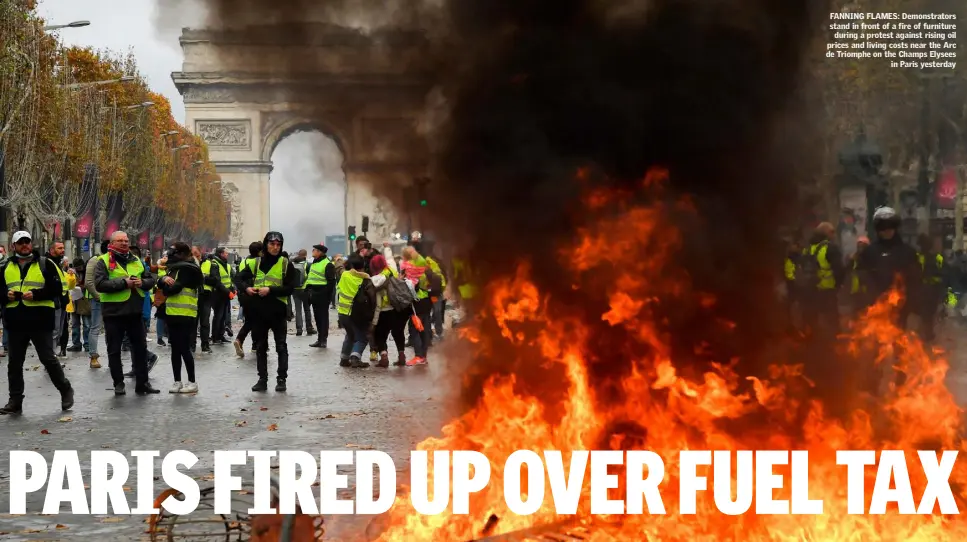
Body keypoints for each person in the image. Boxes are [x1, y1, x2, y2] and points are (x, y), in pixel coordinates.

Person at [0, 231, 74, 414]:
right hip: (15, 322)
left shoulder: (45, 264)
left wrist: (36, 294)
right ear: (13, 246)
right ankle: (15, 401)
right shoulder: (6, 266)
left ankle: (65, 390)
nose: (25, 245)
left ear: (31, 244)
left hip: (40, 321)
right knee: (14, 363)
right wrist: (5, 295)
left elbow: (59, 288)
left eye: (27, 242)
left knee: (48, 358)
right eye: (20, 242)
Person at [95, 231, 159, 395]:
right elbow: (100, 284)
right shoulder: (103, 261)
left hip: (134, 311)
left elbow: (150, 279)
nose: (124, 243)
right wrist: (125, 283)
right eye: (120, 241)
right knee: (114, 349)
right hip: (113, 312)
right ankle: (118, 383)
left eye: (126, 240)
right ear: (112, 243)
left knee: (140, 348)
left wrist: (142, 282)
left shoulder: (136, 259)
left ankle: (142, 384)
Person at [233, 231, 297, 392]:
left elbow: (290, 288)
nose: (275, 247)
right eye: (272, 244)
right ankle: (262, 379)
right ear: (265, 244)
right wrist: (246, 288)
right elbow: (238, 278)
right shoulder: (255, 263)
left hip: (278, 310)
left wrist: (270, 289)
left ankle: (281, 379)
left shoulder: (285, 263)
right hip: (258, 311)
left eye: (278, 245)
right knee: (261, 346)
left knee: (281, 346)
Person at [156, 243, 203, 393]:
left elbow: (172, 289)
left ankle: (192, 382)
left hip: (186, 314)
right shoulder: (175, 268)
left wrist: (165, 283)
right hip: (172, 312)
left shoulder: (188, 269)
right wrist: (163, 280)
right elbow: (161, 284)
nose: (170, 255)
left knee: (184, 348)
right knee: (175, 349)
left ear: (182, 254)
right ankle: (177, 381)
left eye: (174, 252)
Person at [369, 254, 408, 367]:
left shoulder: (377, 279)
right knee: (398, 333)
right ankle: (401, 356)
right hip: (397, 309)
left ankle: (384, 357)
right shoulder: (392, 271)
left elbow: (377, 300)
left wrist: (374, 319)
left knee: (380, 335)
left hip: (383, 311)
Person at [335, 254, 373, 368]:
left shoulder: (345, 275)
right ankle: (355, 357)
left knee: (350, 335)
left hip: (342, 313)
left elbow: (339, 267)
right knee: (362, 336)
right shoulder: (365, 280)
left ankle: (344, 358)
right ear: (363, 266)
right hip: (356, 313)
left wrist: (339, 259)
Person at [400, 246, 432, 366]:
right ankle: (423, 356)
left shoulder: (405, 265)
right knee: (423, 329)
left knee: (414, 330)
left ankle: (418, 356)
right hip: (425, 299)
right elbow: (421, 259)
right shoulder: (421, 263)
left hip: (415, 301)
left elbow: (401, 280)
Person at [233, 241, 263, 357]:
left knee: (250, 320)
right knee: (258, 321)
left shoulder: (244, 262)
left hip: (244, 295)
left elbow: (238, 278)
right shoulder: (259, 262)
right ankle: (255, 345)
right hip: (256, 294)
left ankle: (241, 340)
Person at [85, 240, 109, 368]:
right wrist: (99, 297)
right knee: (95, 328)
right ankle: (93, 356)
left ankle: (113, 357)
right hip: (99, 300)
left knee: (111, 329)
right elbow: (88, 282)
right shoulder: (95, 260)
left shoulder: (116, 261)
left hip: (114, 301)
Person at [306, 244, 335, 348]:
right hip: (314, 293)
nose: (313, 251)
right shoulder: (314, 263)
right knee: (317, 317)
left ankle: (323, 340)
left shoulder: (327, 264)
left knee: (323, 318)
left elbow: (331, 282)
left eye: (314, 250)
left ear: (320, 252)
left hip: (322, 294)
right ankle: (319, 339)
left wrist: (328, 297)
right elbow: (311, 278)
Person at [46, 240, 70, 357]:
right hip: (55, 302)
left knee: (58, 331)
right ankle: (51, 357)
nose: (63, 250)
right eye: (59, 248)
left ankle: (53, 356)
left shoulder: (57, 263)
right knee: (54, 332)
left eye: (63, 248)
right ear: (51, 250)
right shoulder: (48, 263)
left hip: (61, 302)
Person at [291, 249, 315, 337]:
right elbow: (311, 277)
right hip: (305, 289)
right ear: (305, 255)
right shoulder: (307, 265)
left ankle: (299, 329)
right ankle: (309, 328)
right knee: (307, 309)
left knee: (298, 310)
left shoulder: (292, 264)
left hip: (295, 290)